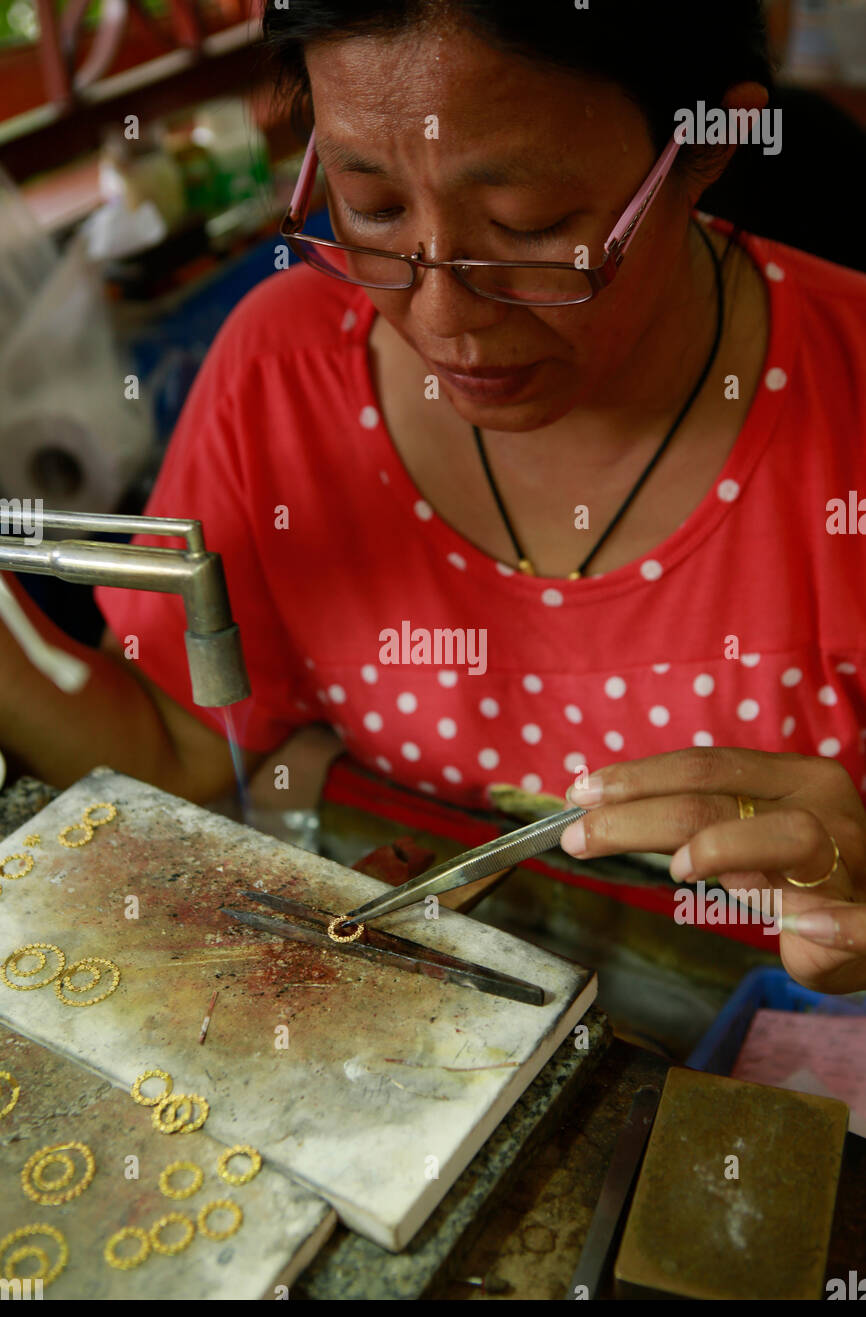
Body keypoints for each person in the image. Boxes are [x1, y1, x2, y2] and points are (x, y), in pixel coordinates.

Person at [2, 1, 865, 992]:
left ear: (703, 148)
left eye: (528, 227)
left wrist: (852, 915)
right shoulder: (279, 371)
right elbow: (188, 753)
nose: (443, 314)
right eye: (368, 207)